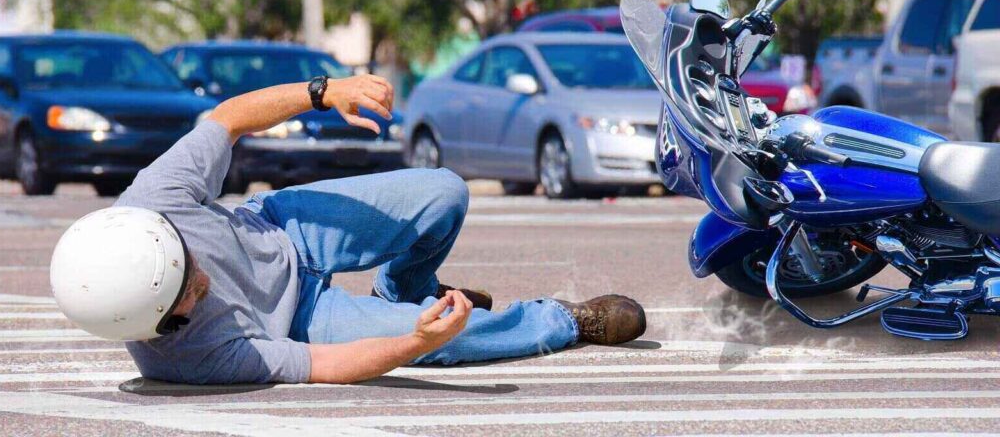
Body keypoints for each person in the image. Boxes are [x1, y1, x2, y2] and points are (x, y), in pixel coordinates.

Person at [50, 74, 647, 385]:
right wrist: (414, 345)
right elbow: (326, 366)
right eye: (184, 302)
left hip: (284, 229)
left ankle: (405, 290)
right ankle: (567, 320)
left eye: (186, 263)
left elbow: (226, 119)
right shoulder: (186, 360)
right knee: (449, 340)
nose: (199, 282)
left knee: (444, 192)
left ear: (161, 236)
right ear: (157, 327)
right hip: (301, 320)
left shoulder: (150, 200)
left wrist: (326, 91)